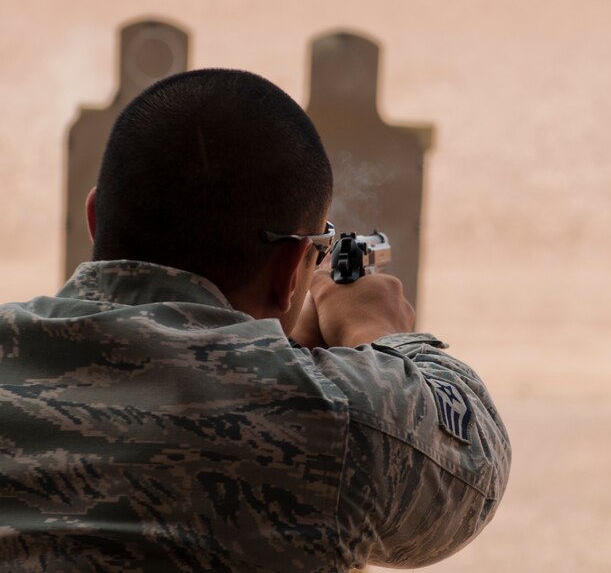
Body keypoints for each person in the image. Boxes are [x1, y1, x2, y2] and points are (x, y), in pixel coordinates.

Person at [0, 69, 511, 572]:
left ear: (94, 218)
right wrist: (380, 335)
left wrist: (296, 356)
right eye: (317, 248)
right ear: (291, 270)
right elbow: (474, 470)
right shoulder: (330, 417)